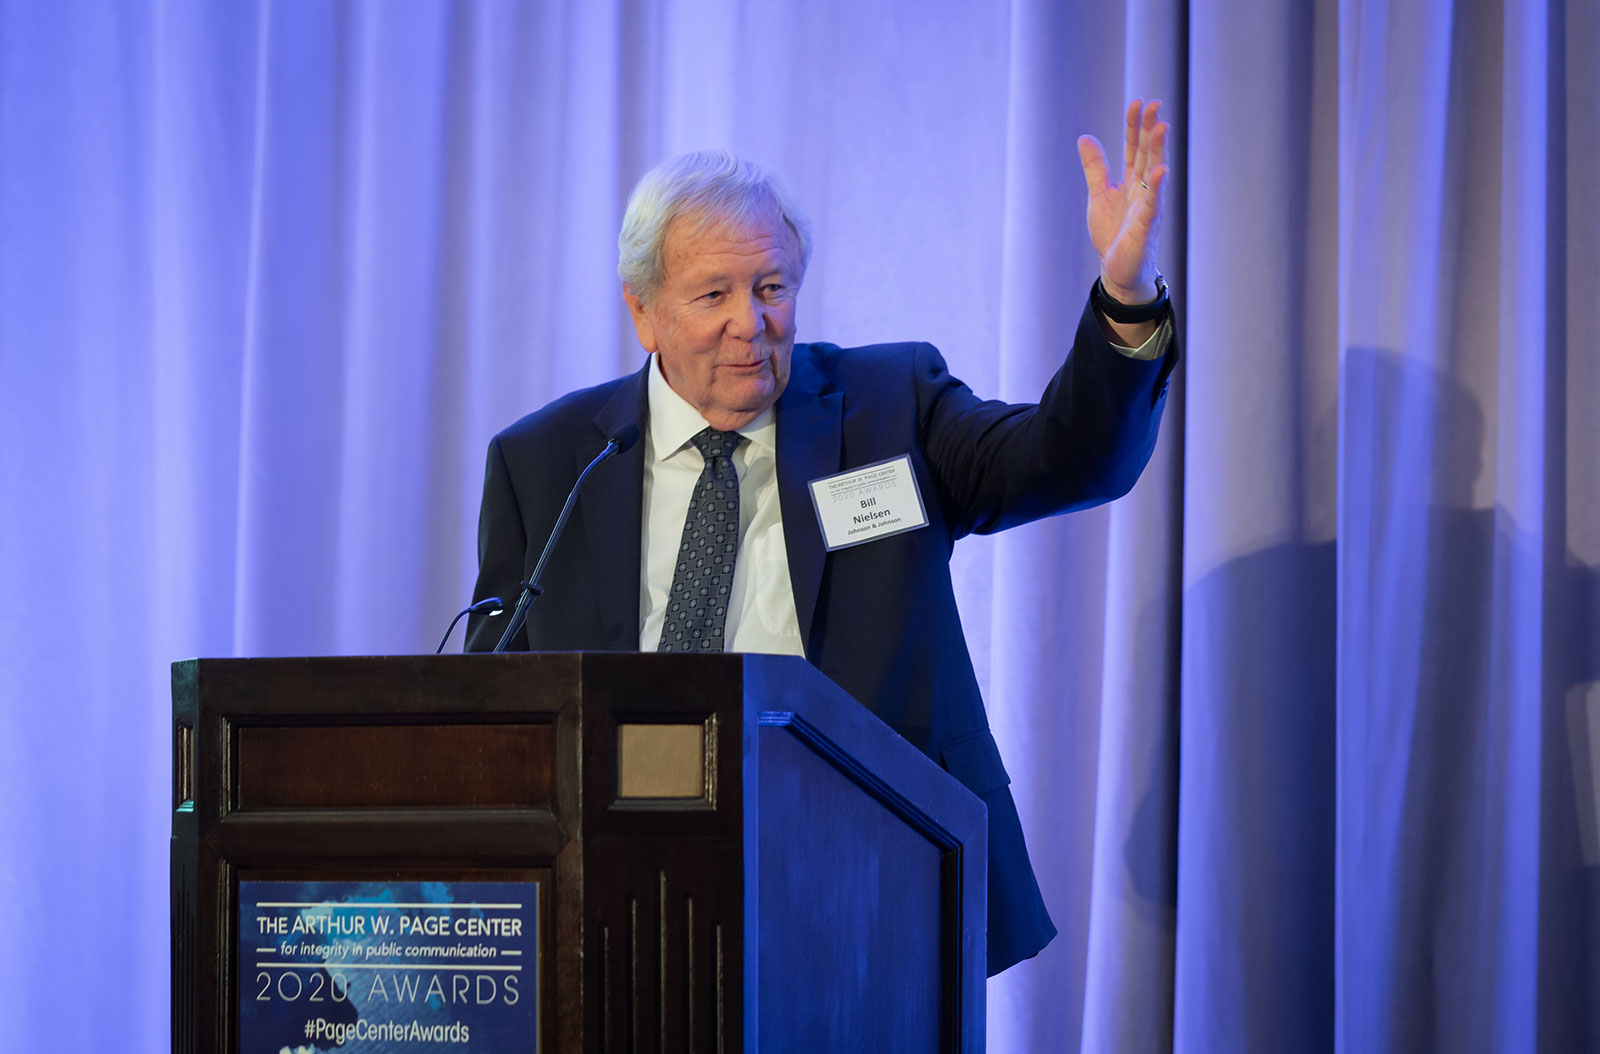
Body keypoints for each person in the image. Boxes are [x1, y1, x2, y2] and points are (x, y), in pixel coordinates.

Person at [465, 100, 1179, 974]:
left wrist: (1126, 297)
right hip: (621, 901)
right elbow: (495, 706)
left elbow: (1070, 460)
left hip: (877, 880)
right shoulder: (546, 463)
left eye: (772, 287)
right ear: (643, 312)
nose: (750, 323)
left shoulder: (888, 407)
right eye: (713, 295)